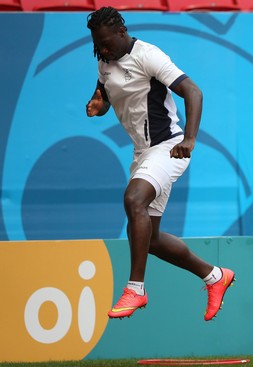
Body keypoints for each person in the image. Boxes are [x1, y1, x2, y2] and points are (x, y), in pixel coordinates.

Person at [86, 7, 235, 321]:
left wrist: (190, 139)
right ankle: (214, 276)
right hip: (143, 153)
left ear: (122, 32)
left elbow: (193, 91)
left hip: (168, 148)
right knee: (150, 239)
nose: (103, 49)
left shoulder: (148, 55)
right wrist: (98, 104)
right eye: (98, 44)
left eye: (106, 42)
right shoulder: (104, 61)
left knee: (133, 199)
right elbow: (105, 95)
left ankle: (135, 289)